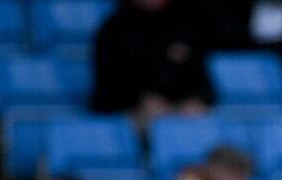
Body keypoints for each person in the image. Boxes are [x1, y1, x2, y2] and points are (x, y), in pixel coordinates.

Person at [91, 0, 215, 130]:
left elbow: (201, 78)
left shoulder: (183, 27)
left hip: (177, 107)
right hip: (128, 108)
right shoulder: (113, 29)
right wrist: (141, 98)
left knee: (200, 120)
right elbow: (110, 80)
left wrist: (195, 99)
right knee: (149, 121)